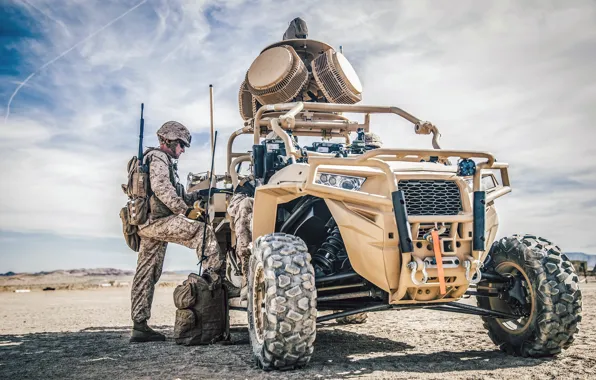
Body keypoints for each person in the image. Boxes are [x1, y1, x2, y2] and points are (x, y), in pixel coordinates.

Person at [130, 121, 225, 343]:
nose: (182, 150)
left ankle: (139, 325)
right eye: (181, 145)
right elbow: (163, 190)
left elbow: (175, 193)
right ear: (169, 141)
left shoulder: (157, 160)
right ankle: (212, 292)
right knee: (204, 234)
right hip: (159, 221)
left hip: (148, 224)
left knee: (147, 272)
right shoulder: (159, 158)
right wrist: (187, 211)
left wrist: (197, 196)